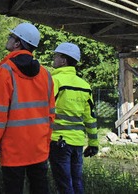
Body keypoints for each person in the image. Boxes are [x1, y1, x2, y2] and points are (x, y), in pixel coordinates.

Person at [0, 23, 55, 194]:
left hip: (13, 148)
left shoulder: (5, 71)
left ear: (17, 44)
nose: (8, 39)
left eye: (11, 36)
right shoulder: (46, 74)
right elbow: (51, 114)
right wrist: (45, 142)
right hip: (38, 147)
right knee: (40, 188)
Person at [49, 43, 99, 194]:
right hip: (77, 142)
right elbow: (90, 118)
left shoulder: (55, 81)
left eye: (56, 56)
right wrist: (93, 143)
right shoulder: (84, 85)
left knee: (64, 185)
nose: (54, 58)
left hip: (58, 141)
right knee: (76, 183)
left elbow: (45, 110)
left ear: (63, 60)